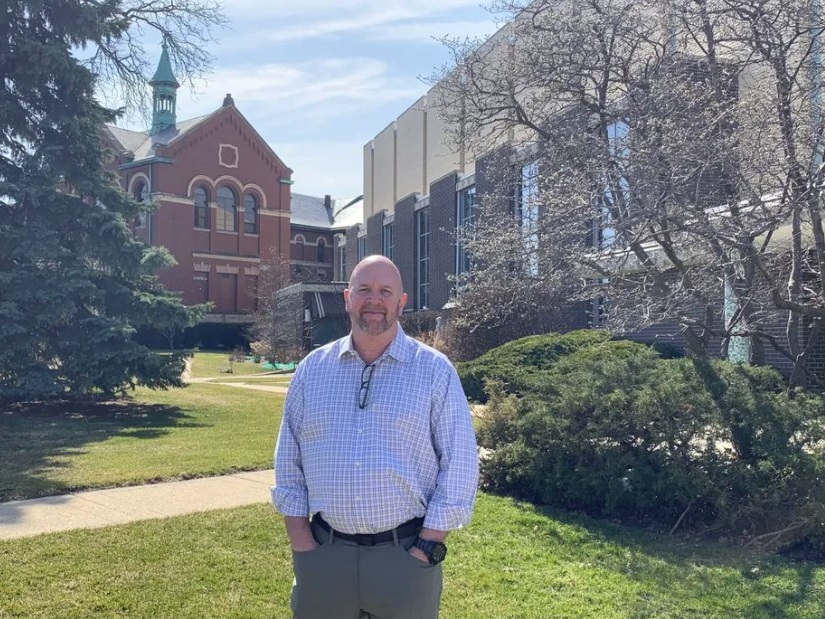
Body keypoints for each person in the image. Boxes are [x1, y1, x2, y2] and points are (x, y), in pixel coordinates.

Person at [272, 255, 479, 619]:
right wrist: (302, 545)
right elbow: (288, 463)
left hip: (404, 559)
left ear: (402, 302)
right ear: (347, 299)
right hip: (324, 555)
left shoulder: (434, 371)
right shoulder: (312, 371)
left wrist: (425, 548)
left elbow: (460, 466)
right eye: (364, 289)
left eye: (386, 291)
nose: (374, 299)